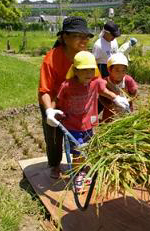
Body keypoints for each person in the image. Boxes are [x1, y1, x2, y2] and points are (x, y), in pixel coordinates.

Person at [52, 51, 130, 191]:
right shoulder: (67, 85)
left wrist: (116, 98)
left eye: (91, 70)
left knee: (87, 149)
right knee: (78, 152)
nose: (88, 73)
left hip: (89, 125)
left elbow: (104, 91)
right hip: (72, 126)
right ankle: (77, 176)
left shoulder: (95, 83)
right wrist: (53, 112)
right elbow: (58, 100)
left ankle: (82, 170)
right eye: (84, 70)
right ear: (75, 70)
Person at [38, 16, 94, 179]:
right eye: (78, 35)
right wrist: (49, 110)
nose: (84, 40)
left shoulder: (86, 56)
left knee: (81, 134)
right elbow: (45, 90)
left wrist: (115, 95)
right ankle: (54, 165)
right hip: (53, 103)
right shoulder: (52, 59)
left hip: (76, 102)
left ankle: (80, 164)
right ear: (64, 37)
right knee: (54, 136)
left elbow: (96, 80)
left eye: (86, 36)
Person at [100, 53, 138, 122]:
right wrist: (110, 106)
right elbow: (101, 97)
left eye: (123, 70)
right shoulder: (105, 82)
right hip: (110, 115)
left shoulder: (128, 80)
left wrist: (128, 101)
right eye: (117, 70)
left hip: (126, 114)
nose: (120, 74)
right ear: (109, 70)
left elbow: (134, 92)